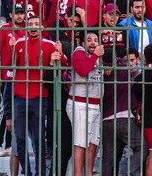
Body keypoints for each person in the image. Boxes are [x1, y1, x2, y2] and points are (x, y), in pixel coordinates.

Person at [11, 15, 66, 176]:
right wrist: (11, 48)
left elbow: (63, 64)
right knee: (20, 138)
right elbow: (8, 64)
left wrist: (59, 54)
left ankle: (40, 172)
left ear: (42, 27)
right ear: (26, 27)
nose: (34, 27)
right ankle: (27, 172)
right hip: (20, 95)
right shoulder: (20, 42)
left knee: (39, 139)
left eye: (37, 24)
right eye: (31, 24)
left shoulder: (49, 44)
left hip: (39, 96)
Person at [68, 31, 104, 176]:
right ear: (82, 43)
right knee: (80, 143)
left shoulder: (98, 57)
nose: (93, 43)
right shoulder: (79, 52)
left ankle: (88, 173)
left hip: (95, 105)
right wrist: (96, 55)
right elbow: (82, 70)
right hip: (80, 104)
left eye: (95, 40)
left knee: (93, 142)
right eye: (89, 40)